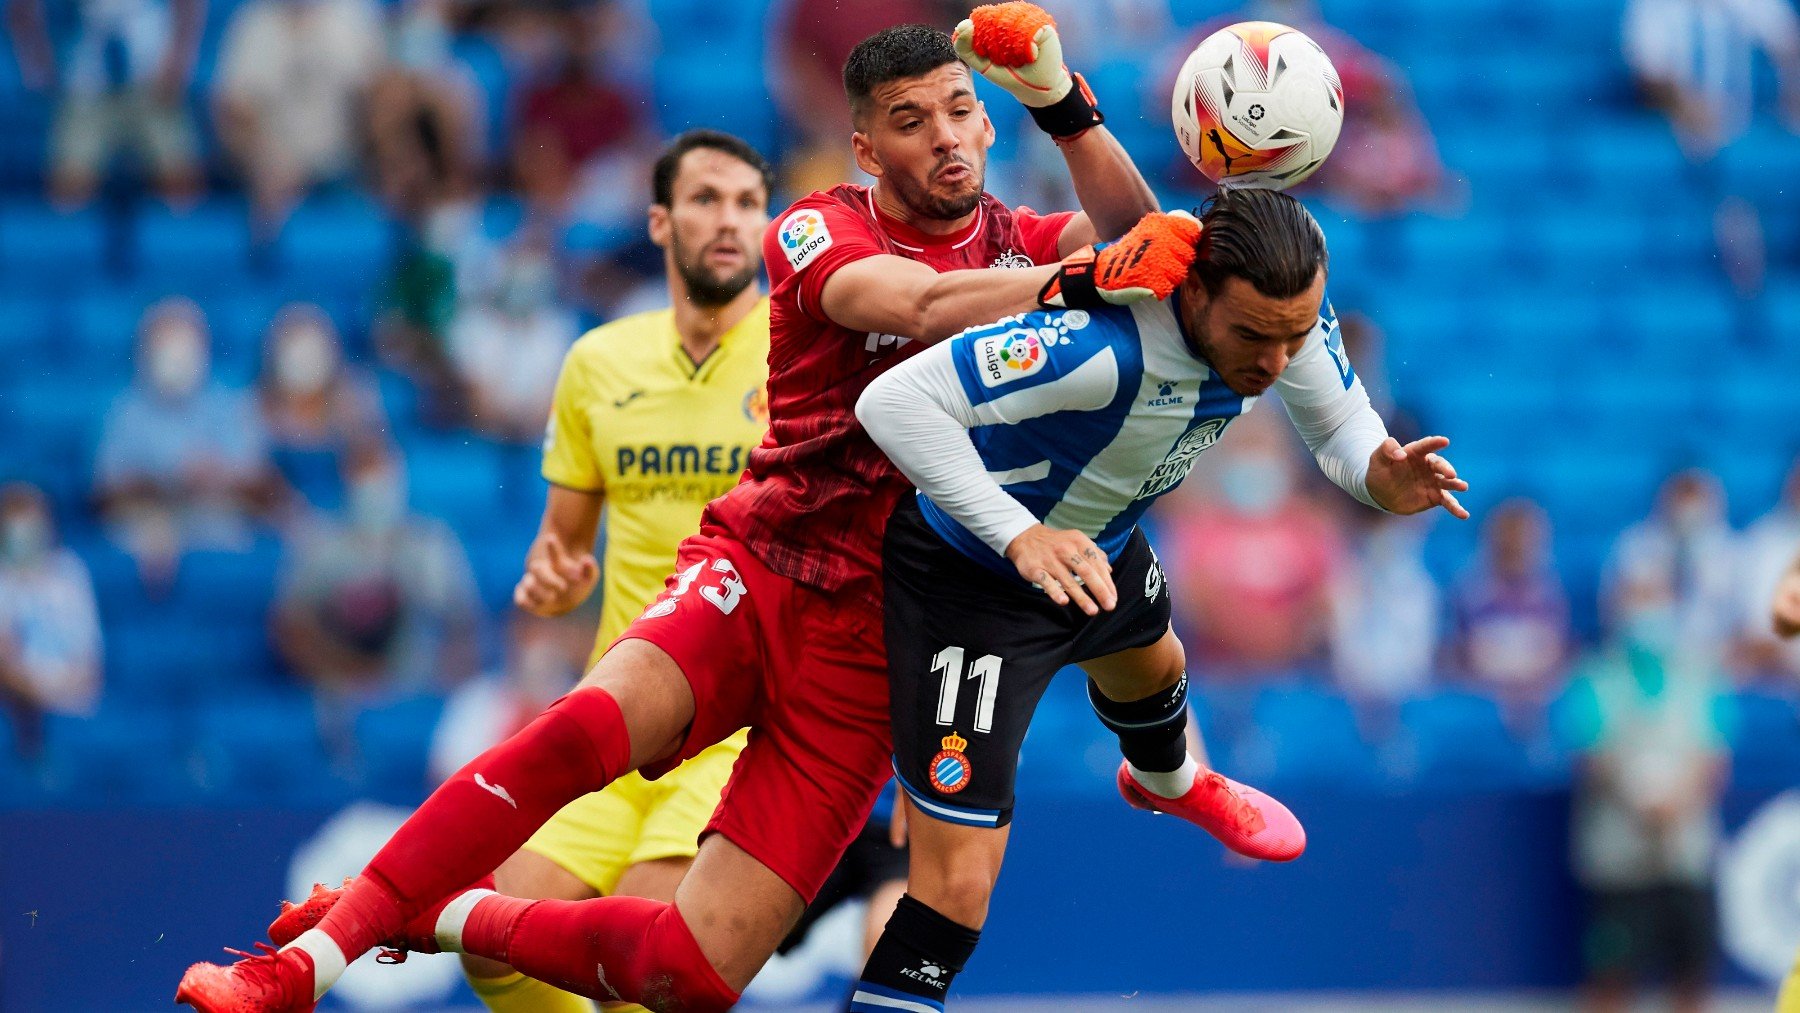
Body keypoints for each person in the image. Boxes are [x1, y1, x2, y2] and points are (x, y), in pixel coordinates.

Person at [175, 10, 1201, 1011]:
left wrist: (1067, 111)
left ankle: (431, 914)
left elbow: (1148, 246)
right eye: (909, 119)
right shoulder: (815, 228)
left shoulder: (1022, 240)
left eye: (957, 111)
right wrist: (1084, 278)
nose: (940, 136)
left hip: (878, 648)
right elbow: (919, 306)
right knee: (574, 732)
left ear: (986, 121)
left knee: (689, 978)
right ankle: (305, 962)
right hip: (762, 573)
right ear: (865, 144)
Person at [852, 185, 1469, 1007]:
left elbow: (1338, 426)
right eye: (1255, 336)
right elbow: (889, 402)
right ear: (1196, 293)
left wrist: (1378, 475)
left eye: (1294, 337)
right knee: (957, 892)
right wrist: (1016, 533)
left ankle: (1167, 779)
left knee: (1151, 658)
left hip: (1097, 546)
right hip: (977, 581)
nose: (1276, 363)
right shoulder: (1094, 344)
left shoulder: (1279, 317)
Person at [454, 128, 774, 1013]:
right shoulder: (598, 362)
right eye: (707, 199)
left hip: (735, 726)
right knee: (493, 941)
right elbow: (564, 543)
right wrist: (553, 576)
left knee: (646, 957)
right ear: (660, 222)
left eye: (749, 203)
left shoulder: (802, 358)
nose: (729, 221)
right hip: (619, 711)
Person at [1561, 568, 1733, 1013]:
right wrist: (1639, 801)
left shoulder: (1700, 676)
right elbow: (1589, 754)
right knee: (1611, 975)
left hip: (1684, 853)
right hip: (1619, 856)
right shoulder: (1594, 678)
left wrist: (1677, 803)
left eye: (1654, 598)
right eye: (1636, 600)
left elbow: (1713, 757)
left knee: (1691, 975)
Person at [272, 442, 481, 758]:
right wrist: (349, 669)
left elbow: (463, 625)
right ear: (346, 480)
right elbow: (289, 629)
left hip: (418, 690)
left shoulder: (430, 542)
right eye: (363, 475)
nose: (374, 487)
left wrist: (443, 687)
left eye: (382, 474)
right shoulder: (319, 542)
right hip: (338, 692)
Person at [94, 297, 278, 586]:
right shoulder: (123, 412)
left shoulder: (230, 406)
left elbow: (260, 486)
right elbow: (104, 494)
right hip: (150, 525)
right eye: (165, 344)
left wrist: (219, 475)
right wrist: (164, 479)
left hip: (215, 522)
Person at [6, 0, 206, 209]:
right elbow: (21, 10)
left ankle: (176, 239)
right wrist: (39, 63)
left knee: (182, 185)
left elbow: (189, 4)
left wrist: (178, 62)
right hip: (86, 86)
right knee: (68, 192)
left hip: (153, 79)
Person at [0, 484, 102, 760]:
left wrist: (57, 692)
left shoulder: (70, 572)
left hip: (70, 705)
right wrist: (40, 692)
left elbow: (89, 663)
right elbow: (5, 666)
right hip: (15, 709)